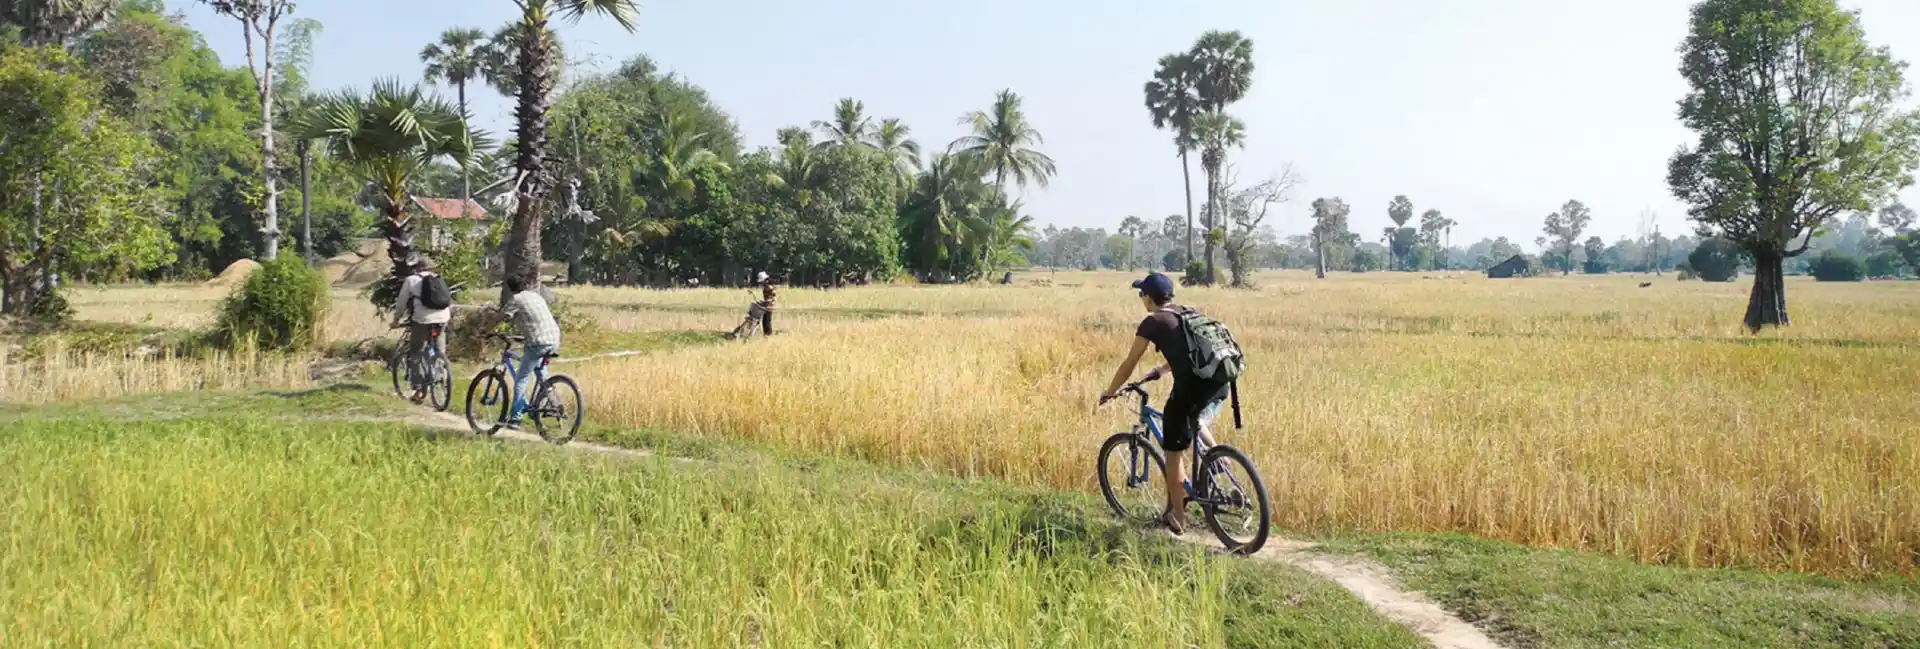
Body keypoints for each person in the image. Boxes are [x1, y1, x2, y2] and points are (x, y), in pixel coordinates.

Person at [1098, 271, 1232, 535]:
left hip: (1191, 389)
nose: (1141, 299)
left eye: (1141, 294)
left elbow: (1130, 362)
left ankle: (1178, 518)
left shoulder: (1152, 321)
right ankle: (1218, 459)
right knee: (1194, 421)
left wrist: (1110, 391)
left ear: (1148, 297)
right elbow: (1193, 353)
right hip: (1219, 384)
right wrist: (1163, 369)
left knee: (1173, 451)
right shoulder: (1187, 312)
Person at [498, 275, 562, 427]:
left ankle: (516, 418)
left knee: (522, 378)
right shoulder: (536, 296)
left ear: (510, 288)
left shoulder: (516, 299)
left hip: (538, 342)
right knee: (541, 372)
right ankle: (547, 402)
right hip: (554, 338)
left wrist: (485, 329)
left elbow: (501, 316)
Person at [390, 255, 451, 404]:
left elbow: (401, 304)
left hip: (422, 320)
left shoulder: (411, 280)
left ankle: (418, 390)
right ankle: (440, 374)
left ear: (417, 267)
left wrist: (396, 320)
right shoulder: (439, 278)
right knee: (439, 349)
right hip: (443, 319)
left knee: (416, 353)